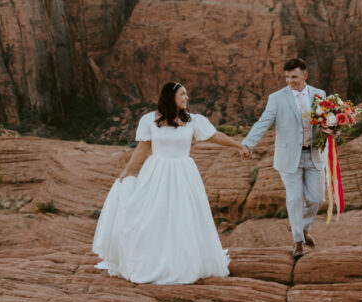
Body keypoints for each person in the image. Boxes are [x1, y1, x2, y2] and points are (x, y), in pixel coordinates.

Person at [92, 81, 249, 284]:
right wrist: (128, 169)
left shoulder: (193, 120)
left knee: (183, 216)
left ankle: (182, 263)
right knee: (153, 217)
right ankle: (153, 262)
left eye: (187, 94)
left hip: (184, 173)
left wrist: (238, 145)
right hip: (156, 173)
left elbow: (214, 136)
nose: (187, 98)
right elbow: (143, 148)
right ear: (171, 96)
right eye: (183, 94)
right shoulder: (149, 120)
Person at [241, 58, 327, 260]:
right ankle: (298, 242)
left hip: (314, 154)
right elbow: (263, 122)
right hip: (289, 157)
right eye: (287, 77)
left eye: (294, 77)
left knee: (317, 198)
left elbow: (325, 122)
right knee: (295, 198)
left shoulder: (319, 95)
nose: (290, 81)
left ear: (305, 76)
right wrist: (248, 143)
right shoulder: (277, 98)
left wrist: (334, 129)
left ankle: (304, 228)